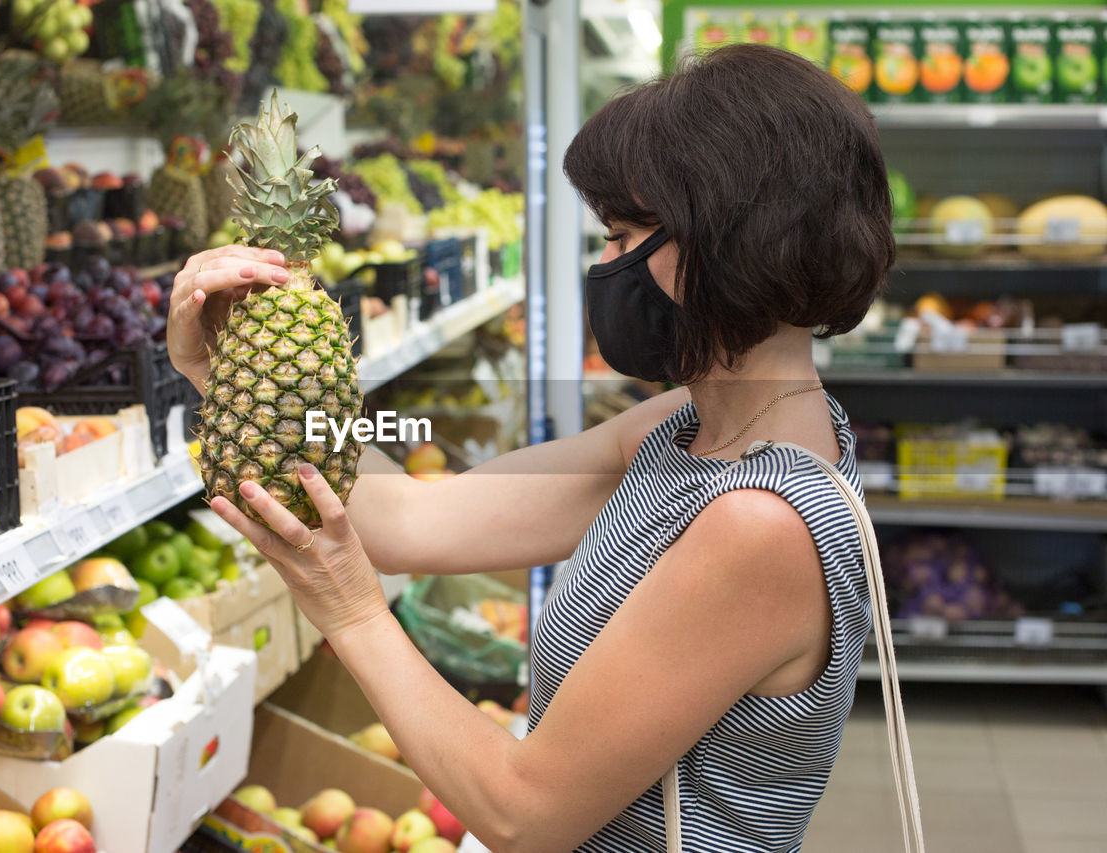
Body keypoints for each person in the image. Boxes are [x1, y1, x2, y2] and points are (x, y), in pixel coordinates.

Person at [168, 44, 894, 853]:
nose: (605, 265)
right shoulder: (684, 433)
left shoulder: (759, 526)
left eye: (623, 237)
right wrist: (230, 372)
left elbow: (526, 813)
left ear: (734, 238)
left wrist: (353, 610)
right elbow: (416, 517)